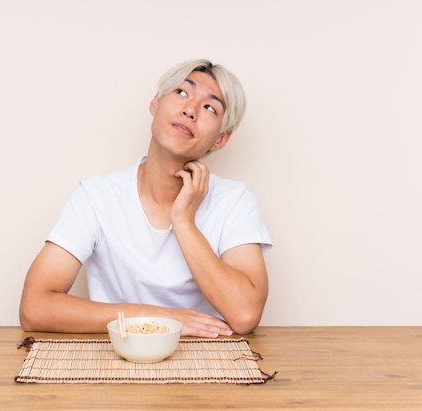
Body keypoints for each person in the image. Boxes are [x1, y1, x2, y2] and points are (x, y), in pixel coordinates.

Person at [19, 59, 272, 338]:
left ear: (220, 140)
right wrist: (158, 317)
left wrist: (183, 222)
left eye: (210, 107)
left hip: (207, 363)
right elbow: (34, 308)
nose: (190, 110)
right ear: (155, 104)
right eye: (182, 93)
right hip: (115, 360)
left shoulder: (234, 202)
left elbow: (246, 315)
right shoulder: (96, 197)